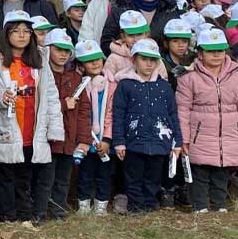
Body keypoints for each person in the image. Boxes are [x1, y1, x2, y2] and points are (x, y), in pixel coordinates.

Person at [0, 11, 63, 226]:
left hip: (32, 127)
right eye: (16, 31)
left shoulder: (39, 58)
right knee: (5, 174)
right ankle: (7, 216)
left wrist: (54, 129)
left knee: (25, 175)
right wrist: (0, 96)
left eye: (27, 31)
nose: (22, 35)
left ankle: (25, 214)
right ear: (6, 33)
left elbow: (51, 94)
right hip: (6, 124)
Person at [176, 29, 238, 213]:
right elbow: (182, 110)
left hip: (229, 135)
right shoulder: (188, 78)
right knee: (199, 172)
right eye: (210, 51)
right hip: (199, 137)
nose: (216, 55)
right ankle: (199, 206)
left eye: (220, 50)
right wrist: (183, 138)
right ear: (200, 53)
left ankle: (219, 204)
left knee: (221, 172)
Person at [111, 40, 183, 213]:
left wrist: (177, 141)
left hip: (159, 142)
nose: (149, 64)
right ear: (134, 59)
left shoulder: (164, 87)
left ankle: (150, 205)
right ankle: (136, 207)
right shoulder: (125, 85)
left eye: (153, 59)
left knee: (153, 177)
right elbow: (118, 114)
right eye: (144, 59)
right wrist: (119, 141)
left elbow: (173, 114)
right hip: (134, 142)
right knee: (134, 177)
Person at [98, 0, 183, 56]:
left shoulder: (169, 8)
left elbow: (179, 38)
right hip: (127, 63)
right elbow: (106, 41)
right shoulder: (121, 8)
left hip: (162, 64)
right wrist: (122, 51)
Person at [71, 40, 113, 215]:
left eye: (98, 58)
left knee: (104, 174)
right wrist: (84, 138)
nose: (95, 63)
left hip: (104, 140)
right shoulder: (78, 85)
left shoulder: (112, 84)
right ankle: (83, 204)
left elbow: (112, 113)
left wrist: (107, 140)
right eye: (89, 60)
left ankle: (101, 204)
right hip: (85, 140)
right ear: (81, 64)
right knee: (85, 174)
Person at [43, 29, 80, 220]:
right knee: (46, 177)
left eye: (67, 50)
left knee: (63, 178)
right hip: (49, 138)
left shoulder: (75, 78)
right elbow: (43, 105)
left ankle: (59, 208)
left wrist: (83, 138)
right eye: (58, 49)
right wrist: (64, 104)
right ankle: (43, 207)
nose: (63, 54)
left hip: (69, 138)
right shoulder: (41, 75)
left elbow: (83, 110)